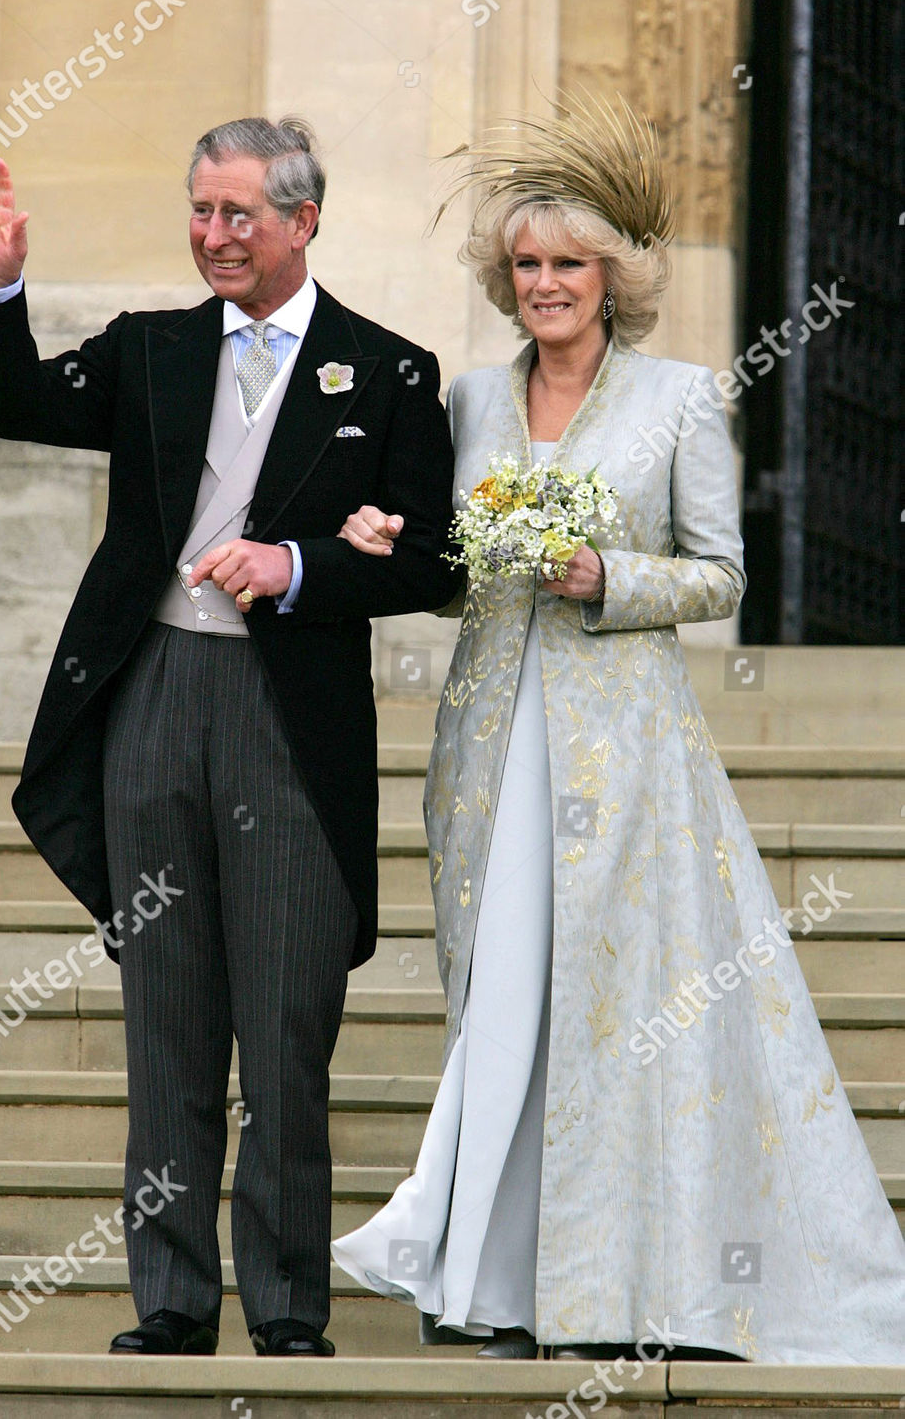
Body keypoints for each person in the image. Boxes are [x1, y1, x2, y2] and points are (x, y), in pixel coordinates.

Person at [330, 95, 905, 1363]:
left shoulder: (683, 401)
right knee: (506, 1006)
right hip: (487, 750)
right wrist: (378, 539)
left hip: (625, 756)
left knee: (609, 1008)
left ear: (614, 278)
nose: (545, 285)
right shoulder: (468, 401)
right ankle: (490, 1282)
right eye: (526, 265)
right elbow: (441, 553)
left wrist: (609, 578)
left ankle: (617, 1285)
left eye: (568, 266)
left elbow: (720, 575)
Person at [0, 117, 459, 1358]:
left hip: (287, 719)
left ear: (301, 222)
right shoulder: (152, 351)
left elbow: (436, 562)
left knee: (283, 1030)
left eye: (239, 216)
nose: (214, 237)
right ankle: (170, 1301)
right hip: (153, 695)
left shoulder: (386, 372)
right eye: (200, 212)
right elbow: (18, 407)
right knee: (166, 1014)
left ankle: (284, 1308)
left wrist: (300, 565)